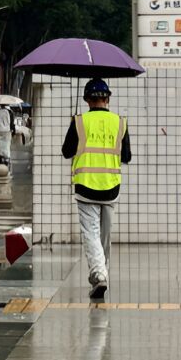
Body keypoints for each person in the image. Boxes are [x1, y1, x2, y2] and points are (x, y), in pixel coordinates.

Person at [62, 78, 131, 300]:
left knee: (90, 233)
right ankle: (101, 274)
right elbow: (126, 156)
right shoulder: (120, 122)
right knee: (104, 235)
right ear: (107, 98)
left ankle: (99, 274)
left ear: (87, 100)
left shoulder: (79, 121)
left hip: (86, 185)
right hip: (111, 186)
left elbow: (66, 151)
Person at [0, 104, 13, 168]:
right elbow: (11, 122)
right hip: (7, 130)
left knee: (0, 145)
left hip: (0, 130)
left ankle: (1, 158)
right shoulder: (9, 112)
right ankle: (7, 159)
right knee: (7, 145)